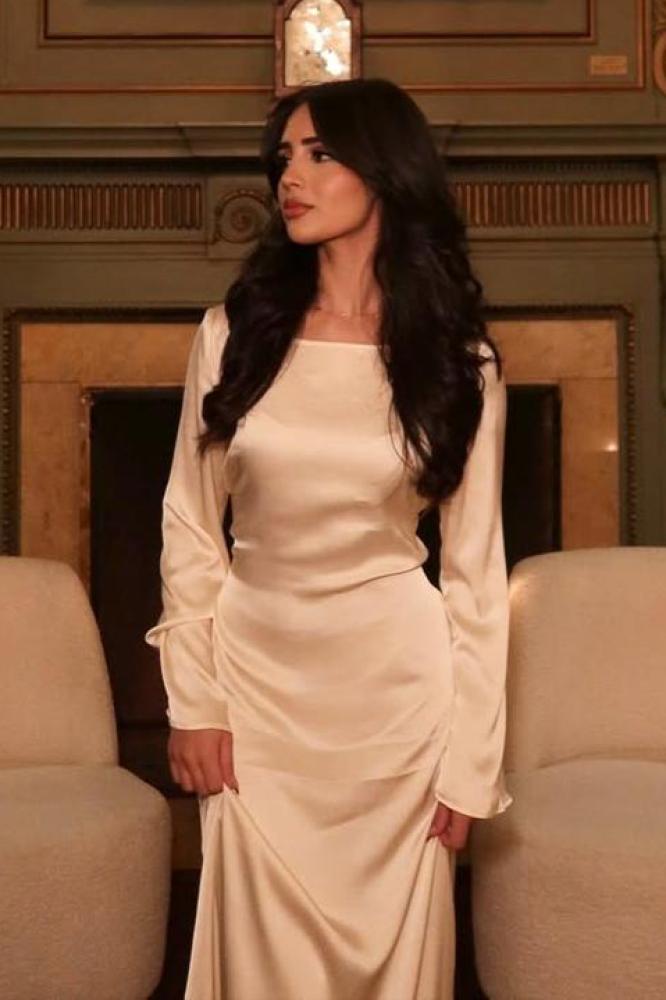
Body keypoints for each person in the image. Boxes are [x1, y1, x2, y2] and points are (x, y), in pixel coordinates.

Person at [145, 76, 513, 1000]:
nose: (290, 178)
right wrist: (195, 701)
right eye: (283, 158)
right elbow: (190, 526)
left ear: (384, 171)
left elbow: (476, 575)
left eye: (319, 155)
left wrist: (471, 764)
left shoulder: (459, 363)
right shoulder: (232, 336)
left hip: (398, 712)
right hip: (258, 701)